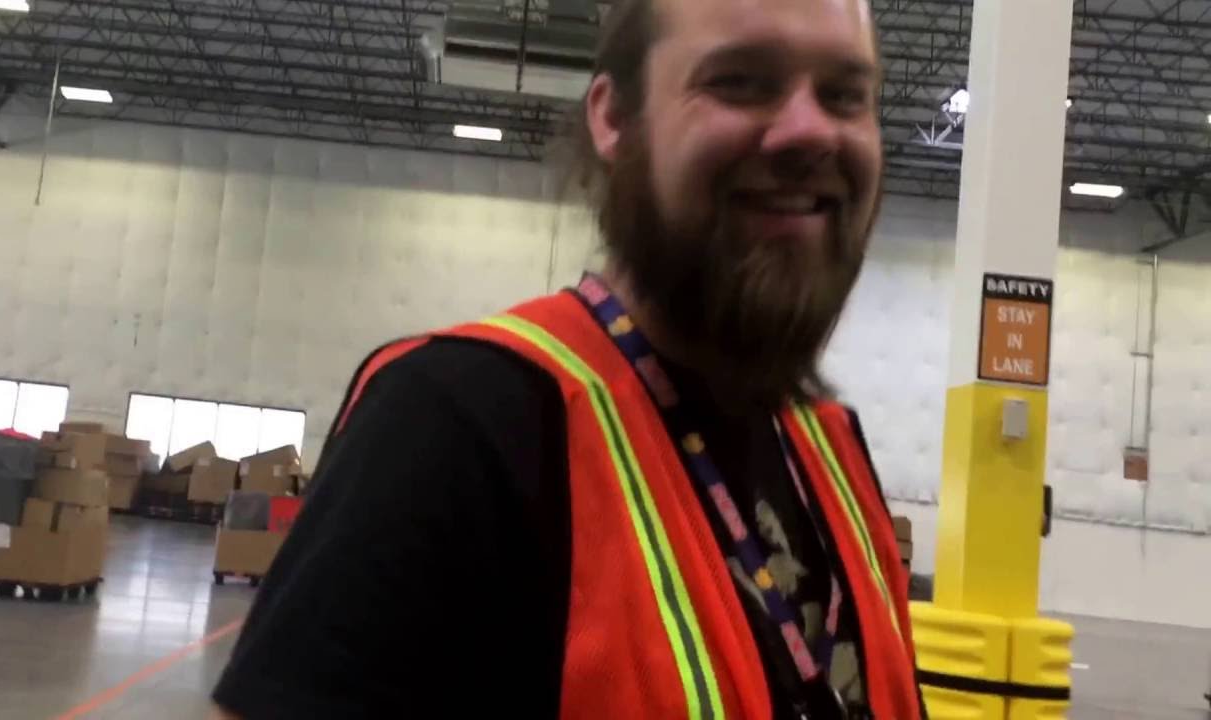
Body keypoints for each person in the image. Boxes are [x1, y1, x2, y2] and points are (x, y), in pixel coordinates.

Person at [213, 0, 921, 717]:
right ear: (614, 118)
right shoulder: (456, 426)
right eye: (740, 82)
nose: (810, 130)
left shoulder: (830, 450)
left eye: (844, 95)